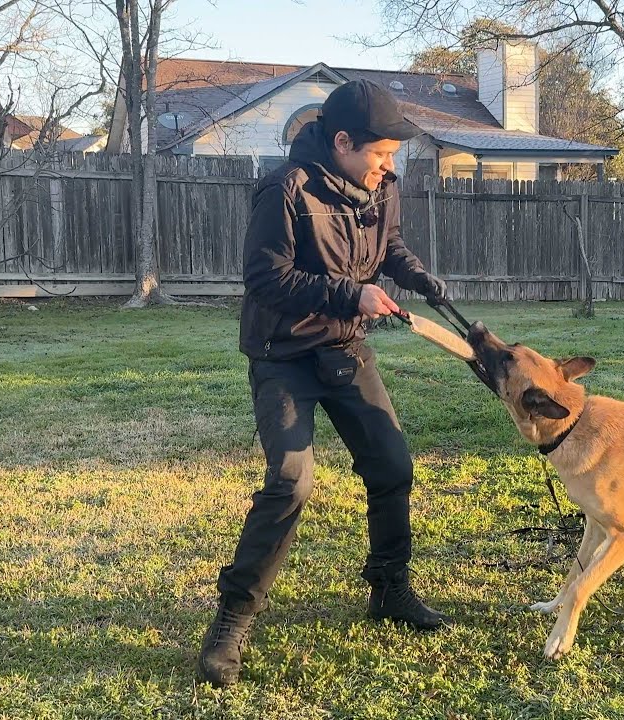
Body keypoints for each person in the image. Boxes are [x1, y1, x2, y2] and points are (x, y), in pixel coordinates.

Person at [198, 79, 449, 688]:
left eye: (392, 156)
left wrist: (416, 276)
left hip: (343, 349)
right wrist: (350, 294)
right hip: (283, 353)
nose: (389, 165)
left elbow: (388, 245)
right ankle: (233, 619)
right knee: (290, 481)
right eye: (381, 152)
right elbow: (264, 276)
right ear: (342, 142)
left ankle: (389, 590)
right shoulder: (284, 188)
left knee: (391, 466)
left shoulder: (380, 186)